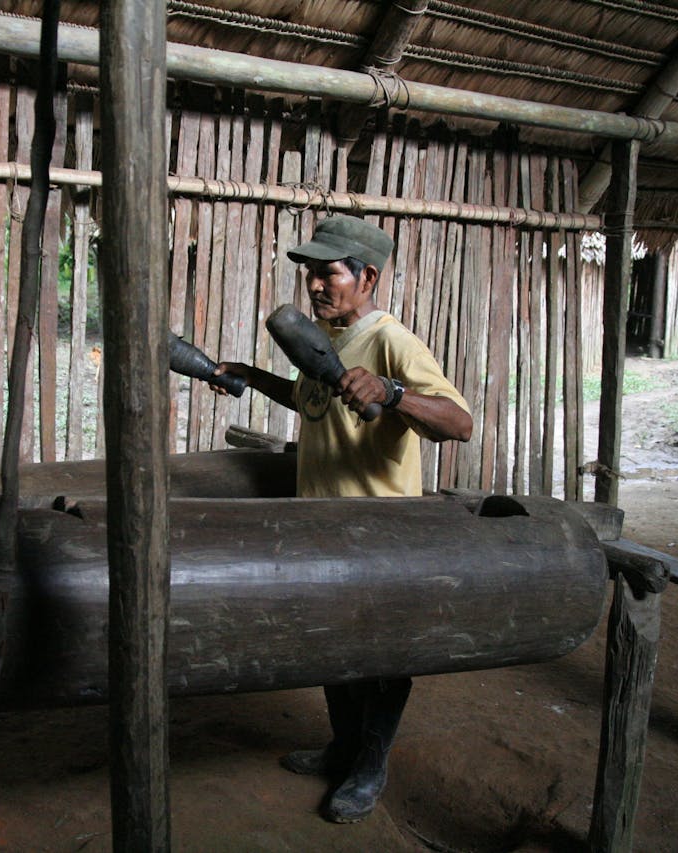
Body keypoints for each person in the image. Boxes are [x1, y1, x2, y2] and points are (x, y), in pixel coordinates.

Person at [213, 214, 473, 823]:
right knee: (334, 648)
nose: (315, 287)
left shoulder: (391, 341)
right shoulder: (325, 343)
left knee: (381, 658)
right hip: (322, 526)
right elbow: (316, 398)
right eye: (309, 275)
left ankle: (369, 765)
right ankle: (342, 748)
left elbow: (460, 423)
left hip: (381, 535)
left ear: (368, 277)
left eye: (328, 274)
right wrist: (254, 378)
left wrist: (394, 393)